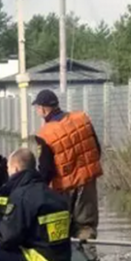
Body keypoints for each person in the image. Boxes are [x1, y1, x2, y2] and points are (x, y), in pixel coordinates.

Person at [31, 89, 102, 241]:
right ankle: (89, 256)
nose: (37, 111)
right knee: (86, 225)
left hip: (64, 187)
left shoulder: (45, 134)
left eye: (37, 108)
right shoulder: (82, 118)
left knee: (62, 225)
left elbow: (45, 170)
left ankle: (67, 256)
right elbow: (96, 149)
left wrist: (38, 190)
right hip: (87, 182)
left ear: (43, 109)